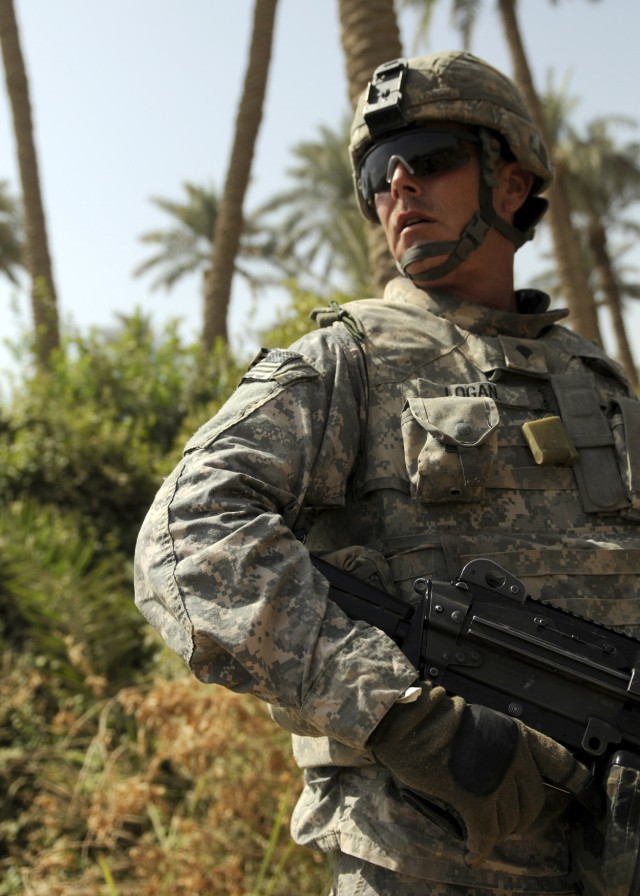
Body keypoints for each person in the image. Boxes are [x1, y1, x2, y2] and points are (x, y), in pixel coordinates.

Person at [134, 51, 640, 895]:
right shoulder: (347, 361)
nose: (399, 185)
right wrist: (402, 717)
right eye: (378, 171)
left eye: (432, 158)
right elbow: (187, 539)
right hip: (425, 861)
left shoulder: (605, 385)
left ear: (509, 186)